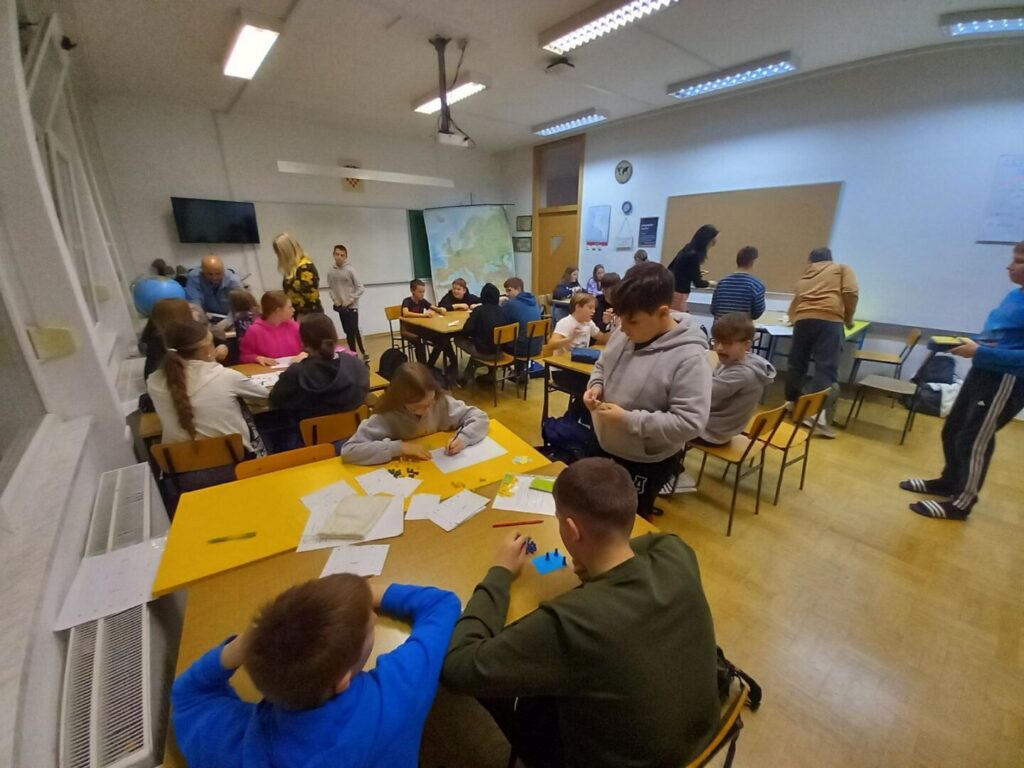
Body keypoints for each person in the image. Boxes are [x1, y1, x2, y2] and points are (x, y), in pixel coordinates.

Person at [441, 458, 720, 768]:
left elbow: (457, 668)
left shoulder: (570, 621)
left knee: (501, 686)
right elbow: (651, 542)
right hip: (703, 736)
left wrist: (500, 572)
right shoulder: (676, 551)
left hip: (615, 761)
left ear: (572, 530)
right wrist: (598, 559)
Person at [172, 574, 461, 768]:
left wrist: (238, 648)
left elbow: (186, 697)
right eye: (368, 624)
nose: (373, 617)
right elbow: (442, 605)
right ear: (342, 681)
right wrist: (366, 594)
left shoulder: (238, 751)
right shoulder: (396, 695)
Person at [900, 242, 1024, 521]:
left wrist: (980, 352)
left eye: (1018, 261)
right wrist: (971, 343)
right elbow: (1000, 337)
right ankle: (949, 482)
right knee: (954, 428)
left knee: (974, 438)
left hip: (1005, 380)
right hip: (983, 372)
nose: (1009, 266)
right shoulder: (1015, 296)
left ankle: (962, 503)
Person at [583, 263, 712, 520]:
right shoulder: (625, 330)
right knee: (597, 513)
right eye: (620, 319)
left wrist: (628, 420)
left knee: (630, 522)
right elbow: (602, 364)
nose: (623, 329)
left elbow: (690, 423)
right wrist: (596, 385)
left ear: (662, 312)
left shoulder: (690, 357)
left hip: (644, 460)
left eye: (632, 321)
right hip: (605, 443)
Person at [146, 319, 269, 453]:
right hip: (234, 457)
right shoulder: (225, 376)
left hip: (178, 460)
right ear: (208, 350)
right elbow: (266, 397)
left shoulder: (153, 382)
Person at [341, 362, 489, 465]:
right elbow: (349, 451)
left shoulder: (439, 401)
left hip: (436, 467)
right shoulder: (386, 415)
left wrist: (463, 438)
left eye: (429, 403)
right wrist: (400, 448)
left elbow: (480, 417)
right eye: (418, 407)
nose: (426, 411)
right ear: (401, 401)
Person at [785, 247, 859, 439]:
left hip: (803, 320)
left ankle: (791, 404)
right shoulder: (842, 269)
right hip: (829, 319)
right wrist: (848, 318)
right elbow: (851, 292)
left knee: (796, 363)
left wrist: (794, 320)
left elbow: (795, 303)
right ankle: (815, 415)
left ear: (810, 261)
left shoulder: (806, 276)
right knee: (825, 368)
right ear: (830, 259)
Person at [270, 312, 370, 427]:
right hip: (355, 431)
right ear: (335, 336)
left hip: (309, 435)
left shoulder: (297, 372)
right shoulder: (357, 364)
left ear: (303, 342)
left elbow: (275, 399)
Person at [455, 283, 505, 386]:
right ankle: (490, 374)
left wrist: (471, 336)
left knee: (458, 339)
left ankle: (464, 377)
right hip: (501, 351)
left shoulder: (479, 311)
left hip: (484, 352)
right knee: (486, 344)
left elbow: (467, 329)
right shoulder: (503, 311)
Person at [401, 279, 456, 373]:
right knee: (420, 343)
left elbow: (433, 308)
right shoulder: (407, 301)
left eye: (423, 292)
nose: (422, 294)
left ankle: (432, 364)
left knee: (441, 338)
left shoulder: (422, 301)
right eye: (420, 292)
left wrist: (440, 310)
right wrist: (423, 315)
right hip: (409, 330)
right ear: (412, 291)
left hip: (421, 328)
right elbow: (405, 313)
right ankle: (423, 368)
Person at [327, 244, 368, 362]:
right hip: (341, 307)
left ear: (345, 257)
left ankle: (363, 352)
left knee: (353, 329)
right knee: (348, 331)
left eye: (342, 255)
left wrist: (350, 299)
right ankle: (353, 355)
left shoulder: (350, 270)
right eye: (337, 254)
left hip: (352, 306)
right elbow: (331, 288)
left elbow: (361, 288)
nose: (339, 257)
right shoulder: (331, 272)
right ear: (333, 255)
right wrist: (335, 300)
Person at [239, 291, 304, 365]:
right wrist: (256, 358)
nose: (293, 310)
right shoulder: (254, 331)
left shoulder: (295, 326)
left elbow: (309, 348)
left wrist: (305, 353)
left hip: (294, 369)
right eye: (290, 307)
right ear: (278, 311)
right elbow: (244, 356)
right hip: (268, 370)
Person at [669, 224, 719, 312]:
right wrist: (711, 283)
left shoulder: (687, 249)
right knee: (680, 318)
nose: (714, 243)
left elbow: (675, 268)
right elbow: (698, 283)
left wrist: (694, 272)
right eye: (713, 240)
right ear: (706, 240)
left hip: (673, 291)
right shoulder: (693, 256)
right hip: (680, 294)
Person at [710, 246, 766, 320]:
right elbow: (757, 313)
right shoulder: (756, 285)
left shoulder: (721, 283)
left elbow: (713, 309)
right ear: (753, 262)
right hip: (742, 326)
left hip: (720, 325)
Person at [274, 233, 324, 315]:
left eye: (279, 253)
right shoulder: (292, 268)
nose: (278, 257)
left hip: (309, 314)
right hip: (296, 313)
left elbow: (311, 297)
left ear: (286, 252)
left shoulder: (305, 267)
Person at [501, 277, 543, 362]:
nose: (506, 294)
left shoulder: (510, 304)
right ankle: (519, 368)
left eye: (509, 290)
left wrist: (502, 304)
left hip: (521, 349)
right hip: (537, 347)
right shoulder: (534, 301)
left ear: (518, 289)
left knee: (497, 342)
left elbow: (502, 321)